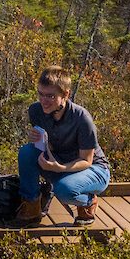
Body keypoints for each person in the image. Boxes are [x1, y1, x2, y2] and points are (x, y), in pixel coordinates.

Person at [16, 65, 110, 225]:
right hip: (60, 161)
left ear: (65, 94)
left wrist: (59, 168)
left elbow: (86, 160)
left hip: (92, 169)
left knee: (64, 190)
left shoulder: (81, 118)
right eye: (41, 94)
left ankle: (88, 201)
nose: (44, 101)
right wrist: (40, 140)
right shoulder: (36, 111)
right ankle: (31, 206)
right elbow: (49, 145)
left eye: (51, 96)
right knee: (26, 152)